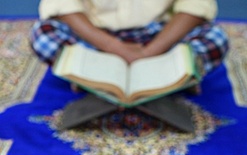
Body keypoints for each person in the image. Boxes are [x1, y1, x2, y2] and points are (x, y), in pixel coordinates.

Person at [31, 0, 229, 78]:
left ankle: (94, 76)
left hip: (159, 34)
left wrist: (148, 52)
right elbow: (61, 5)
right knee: (43, 34)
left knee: (215, 38)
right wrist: (114, 47)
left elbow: (195, 6)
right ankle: (166, 77)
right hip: (95, 35)